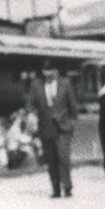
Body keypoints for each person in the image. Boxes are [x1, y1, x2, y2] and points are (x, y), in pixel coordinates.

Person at [26, 59, 78, 198]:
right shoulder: (35, 85)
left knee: (63, 157)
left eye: (51, 72)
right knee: (51, 160)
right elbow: (30, 103)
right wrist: (31, 113)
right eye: (45, 72)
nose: (48, 75)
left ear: (56, 71)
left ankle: (67, 186)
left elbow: (72, 105)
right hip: (46, 128)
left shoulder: (65, 83)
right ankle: (56, 189)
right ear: (43, 72)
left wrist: (72, 123)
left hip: (64, 128)